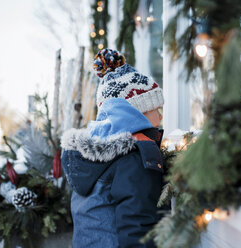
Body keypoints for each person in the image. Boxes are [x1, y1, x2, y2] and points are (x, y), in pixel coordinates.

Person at [61, 48, 165, 247]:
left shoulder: (92, 158)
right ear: (135, 113)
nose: (160, 117)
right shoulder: (134, 156)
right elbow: (137, 228)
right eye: (156, 109)